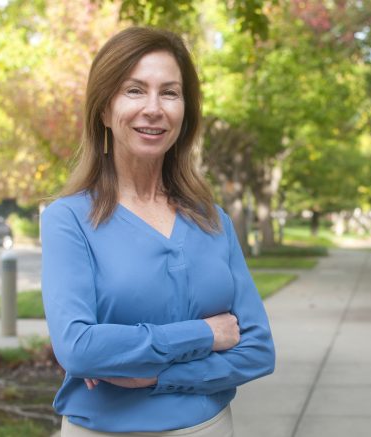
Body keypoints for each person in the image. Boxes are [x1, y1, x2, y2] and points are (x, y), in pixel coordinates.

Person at [40, 27, 276, 436]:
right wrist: (205, 333)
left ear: (185, 112)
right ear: (103, 111)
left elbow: (257, 350)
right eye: (134, 91)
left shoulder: (212, 219)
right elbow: (78, 349)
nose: (154, 108)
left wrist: (152, 375)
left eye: (169, 92)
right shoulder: (69, 219)